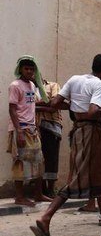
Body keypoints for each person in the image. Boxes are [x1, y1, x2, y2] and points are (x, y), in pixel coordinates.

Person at [30, 54, 101, 236]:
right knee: (97, 177)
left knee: (98, 180)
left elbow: (54, 103)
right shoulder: (100, 85)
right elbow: (93, 111)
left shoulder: (75, 79)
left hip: (77, 133)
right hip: (92, 132)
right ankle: (45, 217)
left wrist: (75, 108)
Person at [7, 56, 51, 206]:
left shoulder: (32, 85)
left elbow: (31, 105)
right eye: (26, 68)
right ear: (20, 69)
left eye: (32, 69)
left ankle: (38, 194)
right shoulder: (15, 85)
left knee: (39, 161)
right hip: (21, 129)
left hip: (32, 129)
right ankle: (19, 197)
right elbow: (12, 109)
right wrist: (18, 131)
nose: (29, 71)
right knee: (20, 162)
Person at [36, 76, 63, 198]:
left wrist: (33, 105)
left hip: (51, 126)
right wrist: (44, 104)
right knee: (38, 159)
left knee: (51, 158)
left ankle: (51, 189)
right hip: (34, 126)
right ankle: (42, 190)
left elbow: (54, 105)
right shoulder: (29, 87)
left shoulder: (52, 85)